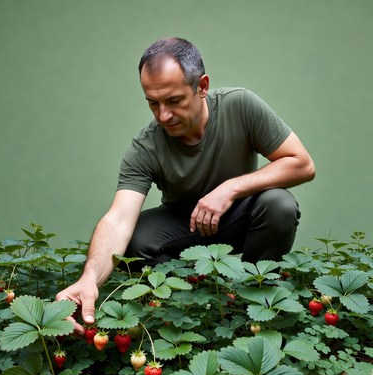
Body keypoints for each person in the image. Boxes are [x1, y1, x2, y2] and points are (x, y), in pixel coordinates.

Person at [56, 37, 315, 335]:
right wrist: (89, 279)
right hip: (183, 228)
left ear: (202, 86)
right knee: (135, 239)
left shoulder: (240, 105)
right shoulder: (146, 147)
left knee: (279, 205)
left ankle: (255, 299)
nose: (163, 115)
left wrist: (229, 189)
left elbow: (302, 164)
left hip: (240, 217)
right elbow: (118, 219)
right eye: (153, 103)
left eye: (174, 101)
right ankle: (190, 301)